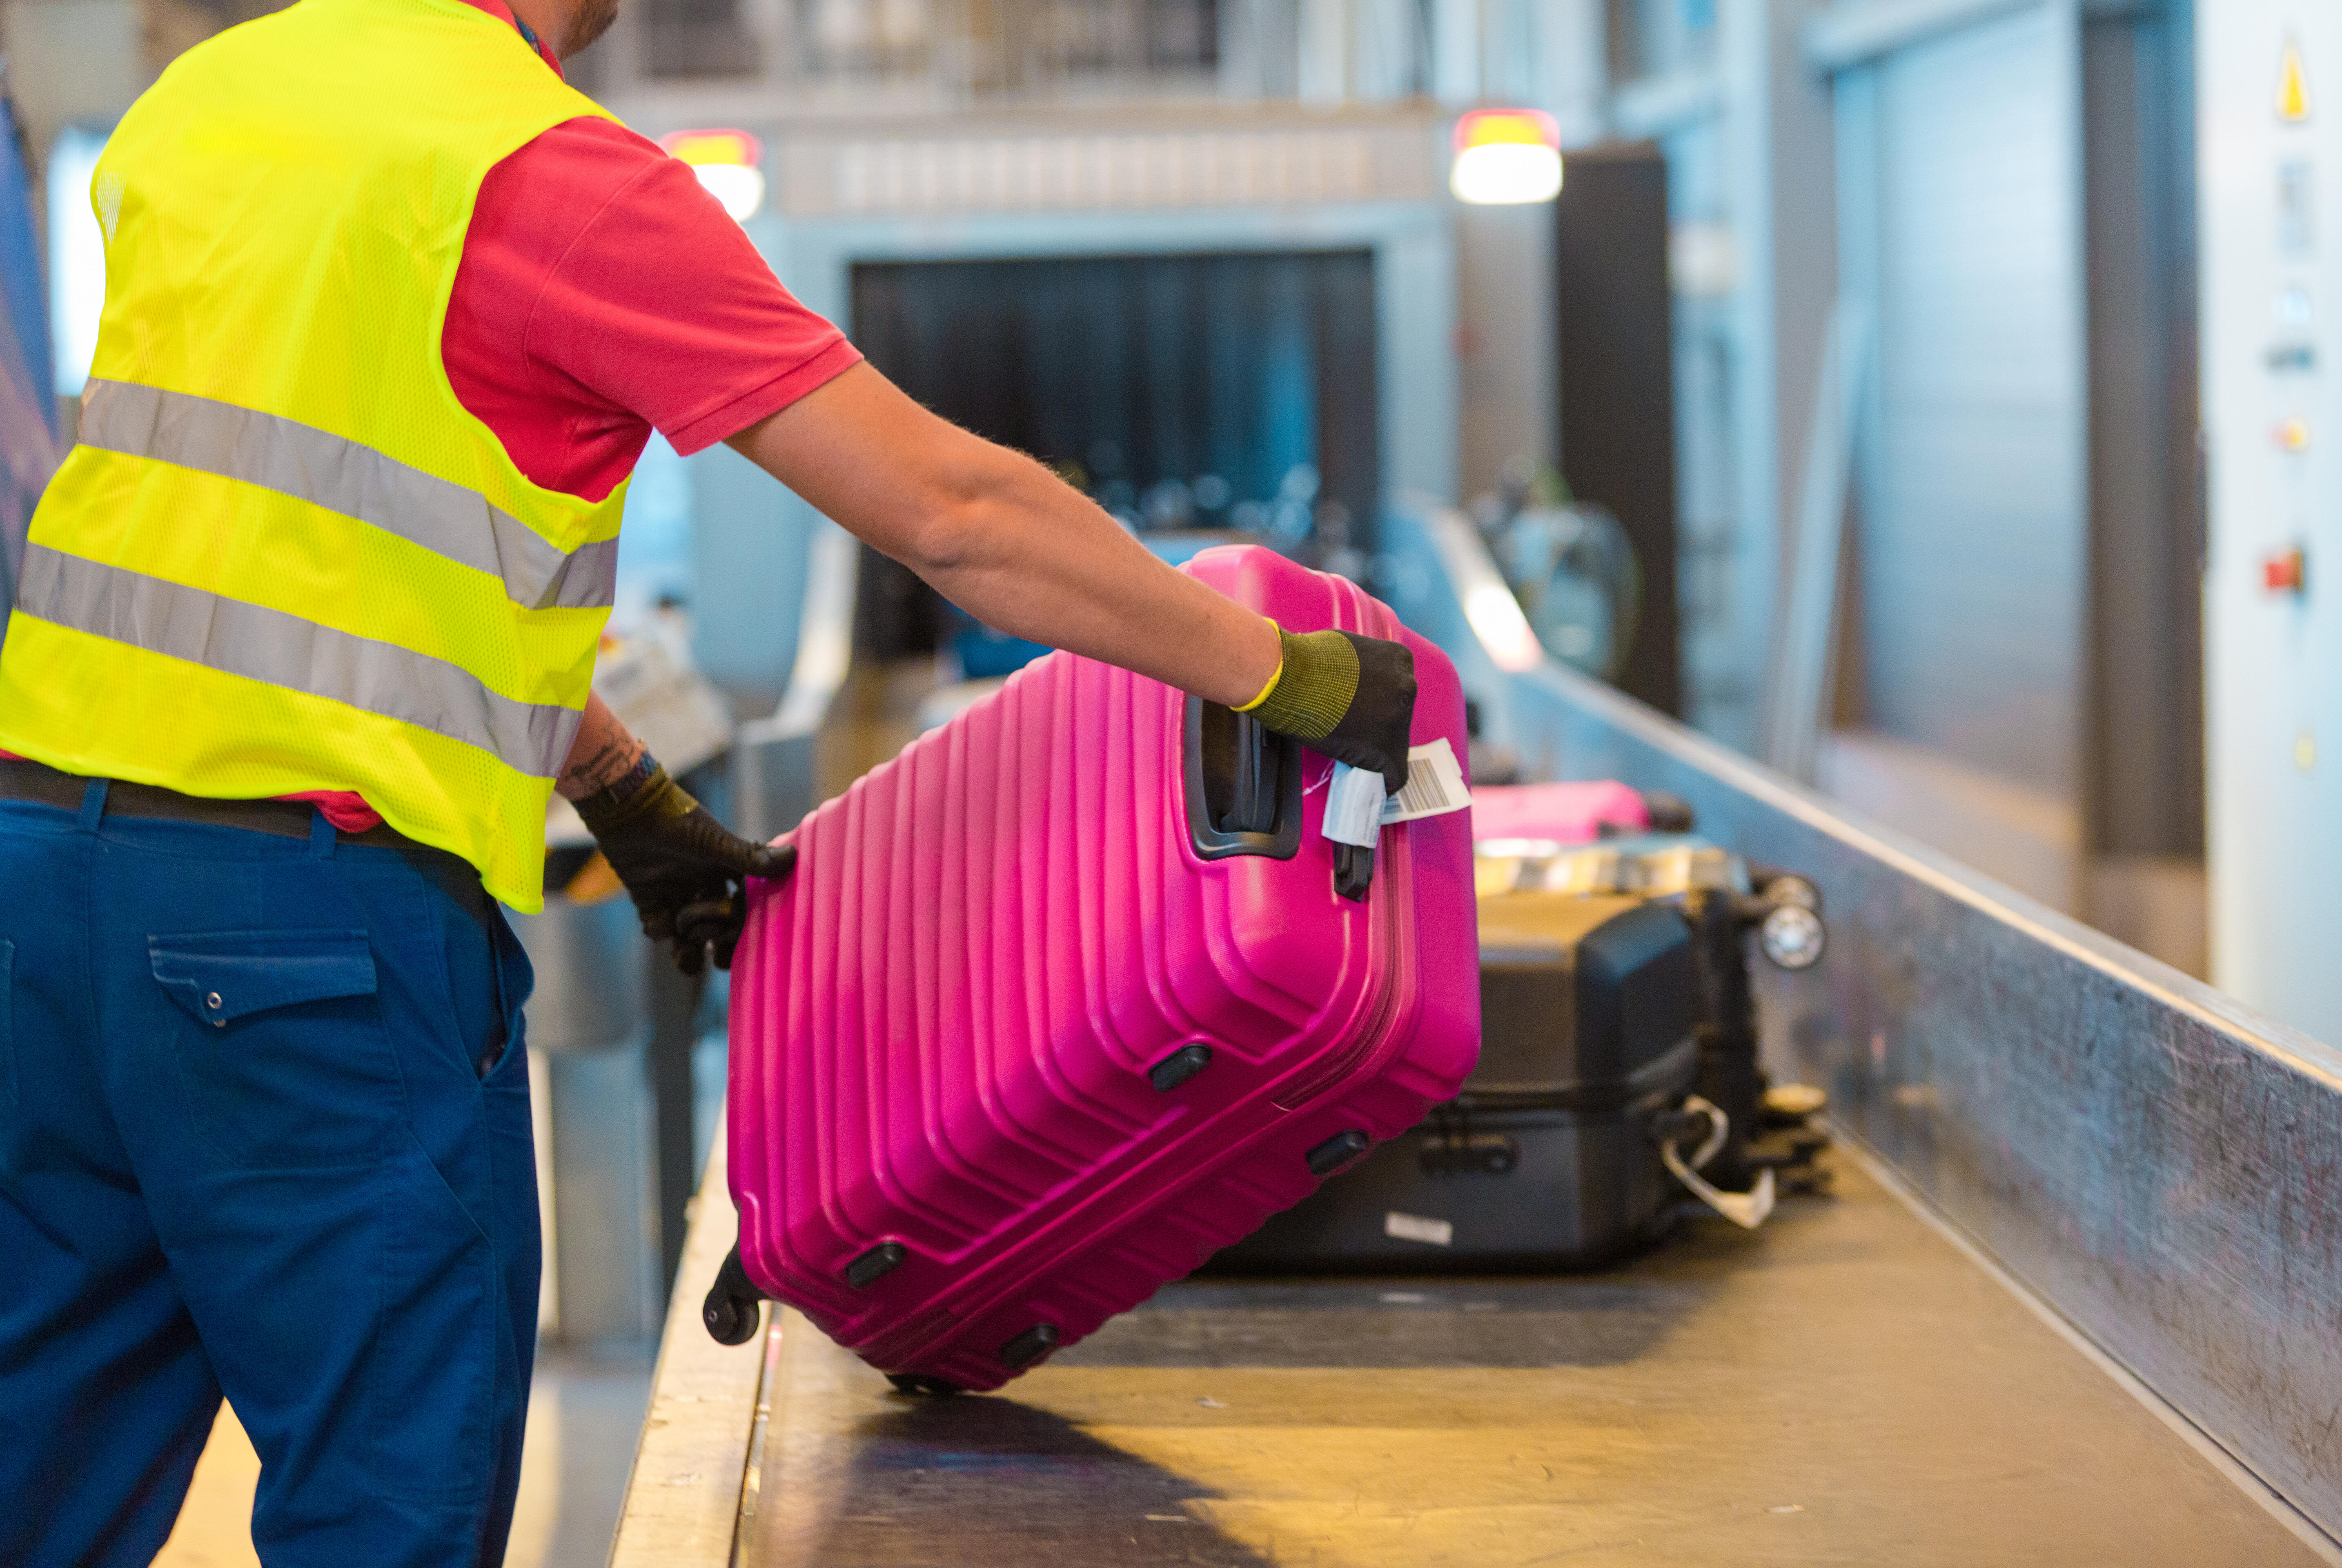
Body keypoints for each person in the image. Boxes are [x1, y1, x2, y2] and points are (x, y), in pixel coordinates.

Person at [0, 0, 1419, 1561]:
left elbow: (297, 557)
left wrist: (617, 783)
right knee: (381, 1509)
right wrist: (1276, 670)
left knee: (40, 1483)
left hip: (38, 895)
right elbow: (951, 515)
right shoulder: (549, 176)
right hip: (303, 955)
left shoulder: (206, 103)